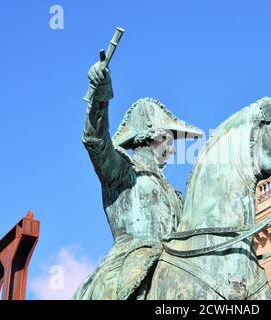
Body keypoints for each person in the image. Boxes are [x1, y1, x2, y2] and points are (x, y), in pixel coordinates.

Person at [73, 51, 203, 299]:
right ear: (152, 136)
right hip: (129, 266)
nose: (173, 148)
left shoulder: (174, 194)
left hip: (172, 268)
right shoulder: (122, 171)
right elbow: (95, 141)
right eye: (169, 138)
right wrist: (100, 98)